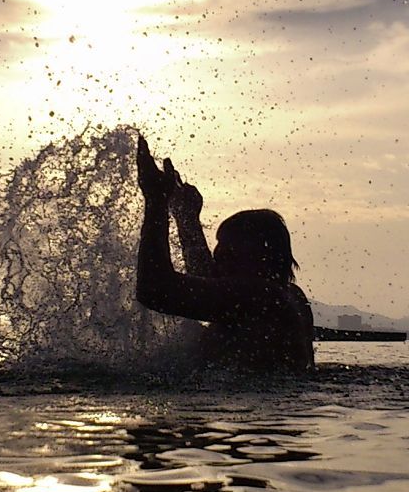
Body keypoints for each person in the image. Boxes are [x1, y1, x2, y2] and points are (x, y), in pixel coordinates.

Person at [135, 134, 314, 372]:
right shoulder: (288, 295)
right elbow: (212, 281)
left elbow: (155, 290)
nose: (218, 255)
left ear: (261, 256)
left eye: (229, 250)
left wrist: (156, 202)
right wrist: (186, 218)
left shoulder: (265, 297)